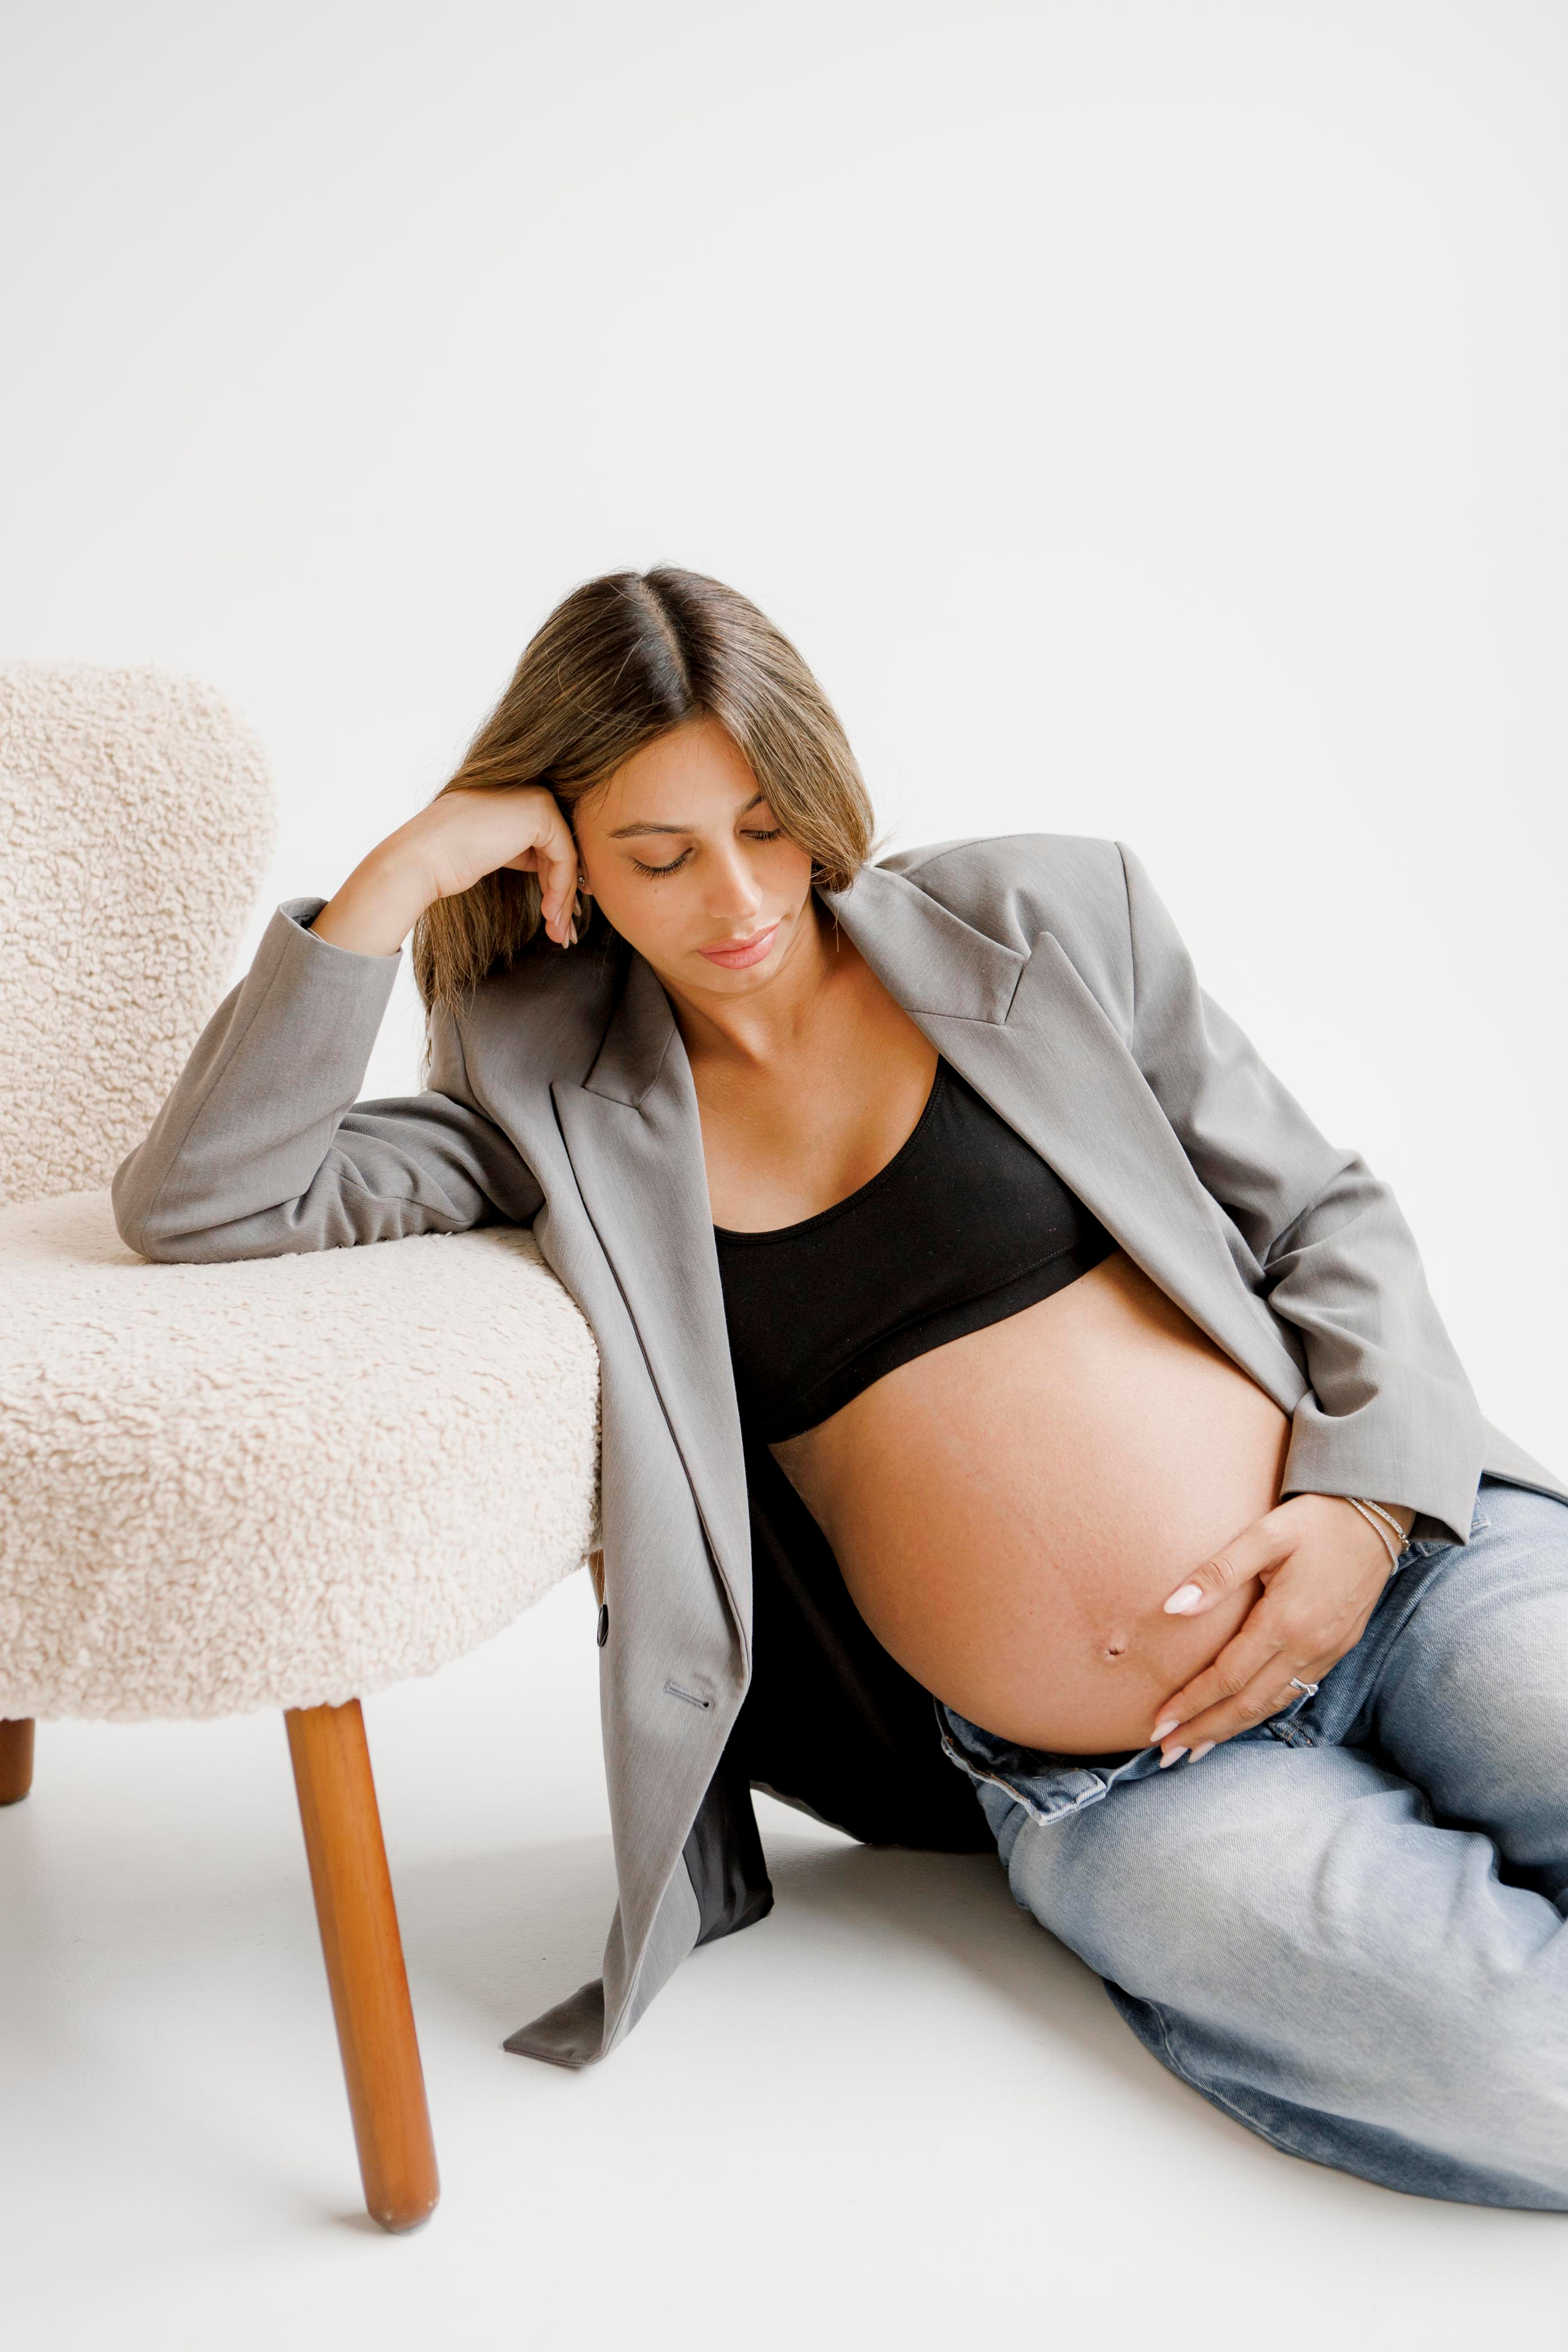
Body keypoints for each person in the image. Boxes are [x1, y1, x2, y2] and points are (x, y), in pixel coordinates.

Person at [114, 567, 1568, 2207]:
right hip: (1126, 1771)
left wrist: (1361, 1512)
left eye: (766, 826)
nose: (736, 896)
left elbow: (1319, 1215)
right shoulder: (545, 1099)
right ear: (568, 863)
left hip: (1410, 1567)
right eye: (657, 855)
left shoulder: (1045, 916)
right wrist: (408, 867)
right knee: (1523, 2078)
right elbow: (206, 1204)